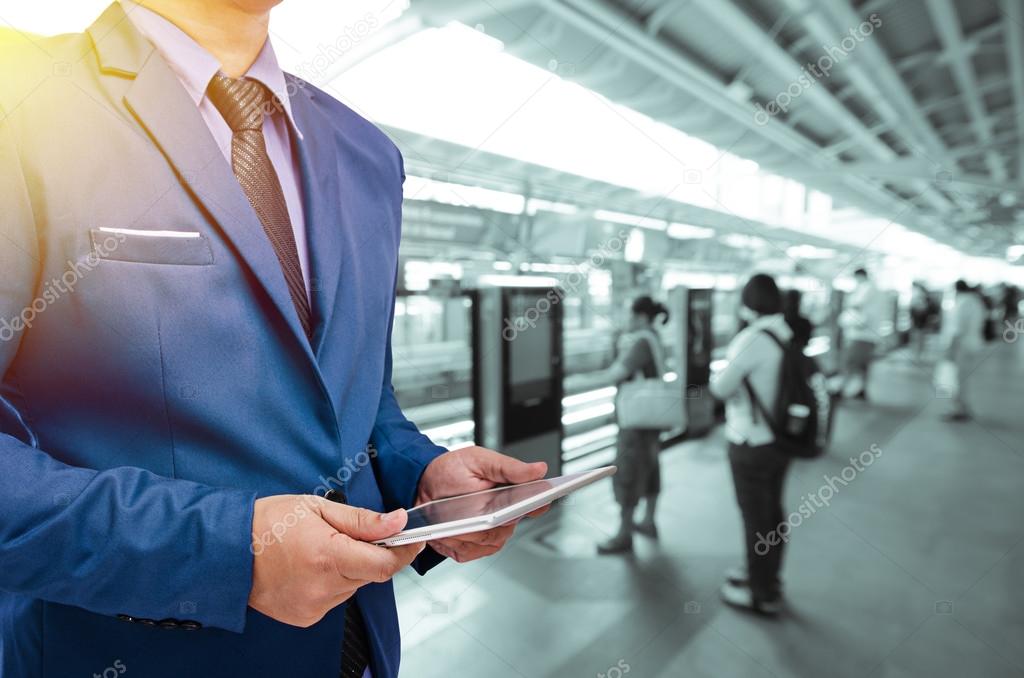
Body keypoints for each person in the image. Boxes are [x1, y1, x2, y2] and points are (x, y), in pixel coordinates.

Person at [0, 3, 546, 677]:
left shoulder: (369, 155)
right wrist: (226, 551)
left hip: (359, 652)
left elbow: (359, 404)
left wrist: (422, 477)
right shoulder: (23, 96)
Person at [709, 274, 793, 615]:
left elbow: (720, 388)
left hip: (751, 441)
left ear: (747, 303)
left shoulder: (752, 339)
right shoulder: (783, 331)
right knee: (772, 514)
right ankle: (767, 576)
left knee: (756, 519)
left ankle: (761, 595)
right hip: (779, 439)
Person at [564, 296, 670, 555]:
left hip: (635, 421)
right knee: (652, 466)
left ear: (642, 317)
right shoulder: (654, 336)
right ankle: (648, 520)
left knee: (628, 473)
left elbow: (616, 373)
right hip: (652, 418)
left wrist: (580, 380)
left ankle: (624, 535)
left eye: (630, 316)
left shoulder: (641, 342)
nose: (626, 321)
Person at [836, 268, 884, 400]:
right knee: (863, 365)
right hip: (871, 335)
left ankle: (842, 388)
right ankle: (862, 390)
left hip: (859, 334)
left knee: (850, 362)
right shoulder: (877, 290)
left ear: (859, 276)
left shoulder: (865, 288)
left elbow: (856, 304)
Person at [943, 280, 986, 422]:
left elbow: (958, 328)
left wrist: (950, 348)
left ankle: (958, 409)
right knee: (963, 378)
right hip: (972, 344)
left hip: (962, 345)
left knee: (958, 378)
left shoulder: (963, 303)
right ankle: (963, 407)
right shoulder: (975, 302)